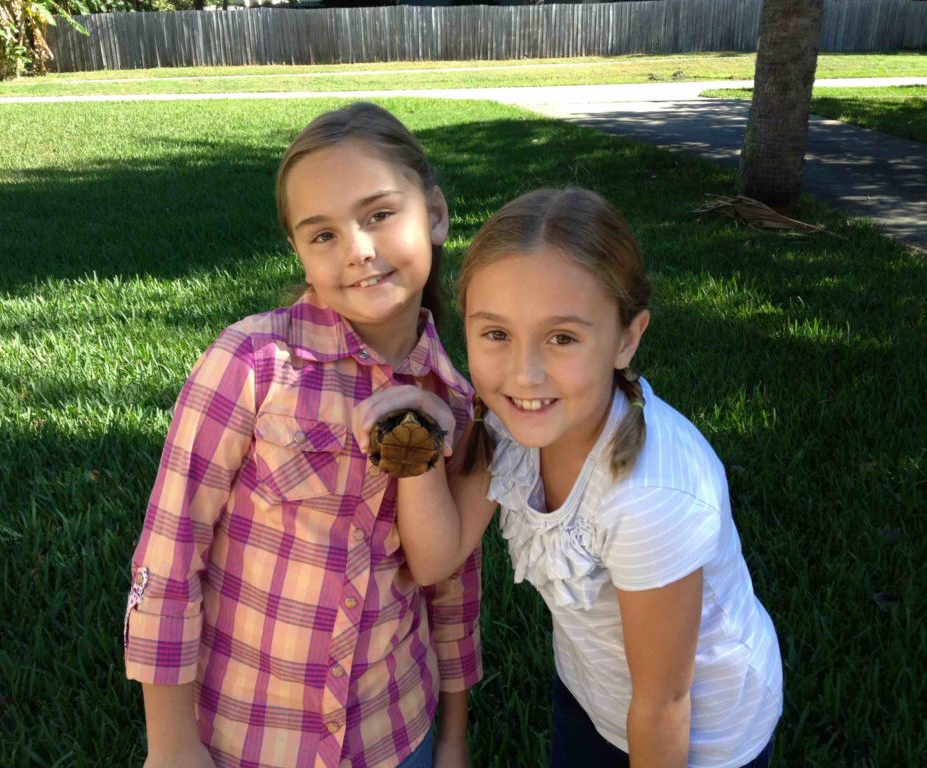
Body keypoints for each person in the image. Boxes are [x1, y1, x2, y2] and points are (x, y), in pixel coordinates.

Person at [354, 187, 783, 768]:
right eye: (496, 334)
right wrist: (415, 447)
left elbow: (664, 703)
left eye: (562, 338)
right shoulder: (509, 426)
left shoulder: (649, 497)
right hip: (592, 692)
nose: (525, 374)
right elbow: (435, 558)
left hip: (698, 737)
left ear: (626, 339)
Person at [124, 102, 482, 768]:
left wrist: (454, 737)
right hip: (247, 738)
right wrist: (171, 743)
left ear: (434, 214)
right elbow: (170, 553)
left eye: (379, 215)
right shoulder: (251, 365)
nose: (358, 250)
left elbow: (452, 587)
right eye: (323, 235)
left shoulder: (456, 404)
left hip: (395, 734)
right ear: (299, 252)